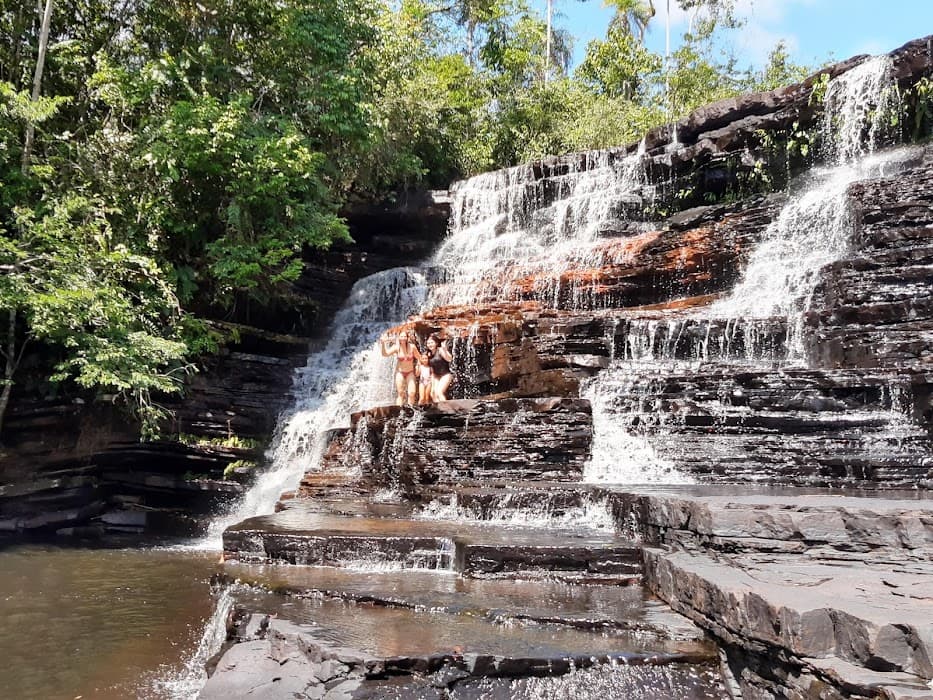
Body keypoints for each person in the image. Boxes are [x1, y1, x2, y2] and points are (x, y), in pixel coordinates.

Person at [380, 330, 420, 405]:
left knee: (412, 393)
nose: (403, 338)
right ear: (399, 337)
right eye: (401, 336)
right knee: (400, 393)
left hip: (410, 372)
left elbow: (419, 357)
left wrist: (418, 366)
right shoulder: (396, 347)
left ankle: (411, 408)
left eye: (405, 336)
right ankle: (399, 409)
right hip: (400, 372)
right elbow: (385, 354)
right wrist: (383, 344)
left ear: (407, 338)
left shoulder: (412, 347)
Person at [424, 334, 454, 402]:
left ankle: (446, 408)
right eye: (428, 343)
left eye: (432, 342)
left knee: (439, 392)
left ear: (436, 343)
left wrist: (445, 350)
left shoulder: (440, 350)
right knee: (433, 394)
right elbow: (431, 369)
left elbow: (449, 359)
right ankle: (439, 408)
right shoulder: (428, 354)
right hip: (436, 376)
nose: (430, 345)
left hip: (446, 375)